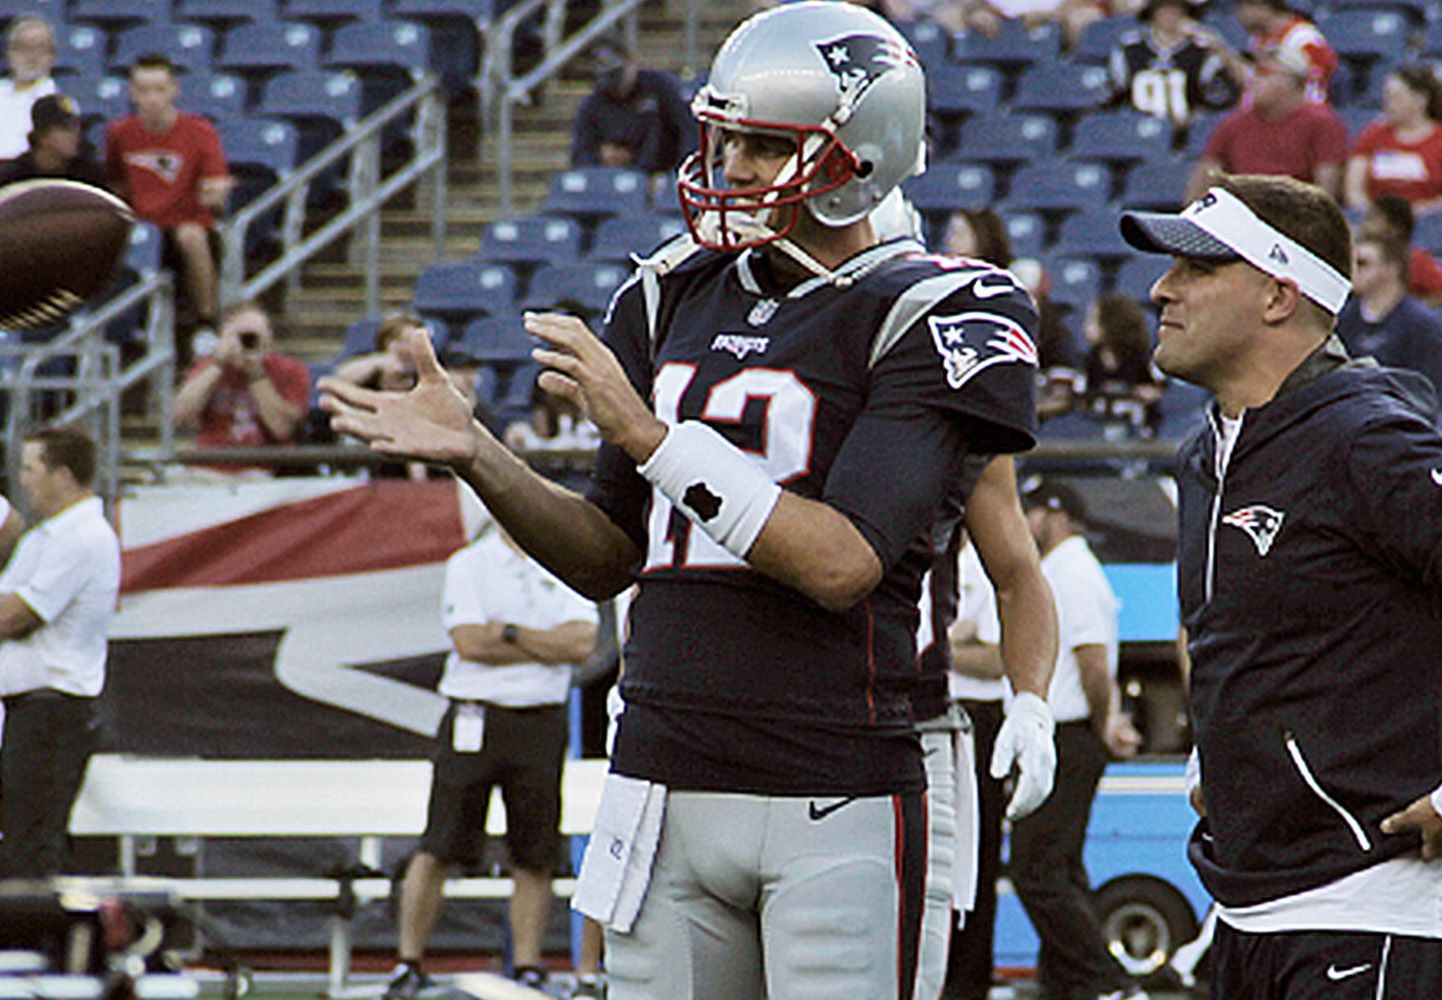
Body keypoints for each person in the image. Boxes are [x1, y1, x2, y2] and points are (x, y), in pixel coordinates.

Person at [318, 6, 1047, 996]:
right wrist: (478, 454)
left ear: (859, 156)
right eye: (726, 136)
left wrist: (654, 439)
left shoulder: (937, 309)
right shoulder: (667, 292)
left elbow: (841, 564)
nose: (733, 165)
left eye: (763, 142)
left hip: (835, 779)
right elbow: (606, 554)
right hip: (660, 772)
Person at [1119, 173, 1442, 1000]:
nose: (1162, 288)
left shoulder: (1366, 439)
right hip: (1247, 905)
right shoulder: (1206, 456)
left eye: (1197, 268)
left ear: (1277, 295)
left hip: (1373, 905)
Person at [381, 527, 601, 999]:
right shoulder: (469, 563)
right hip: (474, 714)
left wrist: (507, 629)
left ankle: (527, 965)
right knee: (438, 845)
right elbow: (469, 644)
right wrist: (542, 642)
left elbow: (582, 645)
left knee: (535, 852)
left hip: (540, 718)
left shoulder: (562, 560)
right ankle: (408, 963)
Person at [917, 455, 1059, 1000]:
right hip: (946, 706)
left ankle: (965, 982)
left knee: (967, 867)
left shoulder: (991, 564)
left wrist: (955, 645)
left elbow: (1000, 655)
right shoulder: (959, 558)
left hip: (978, 720)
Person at [1010, 478, 1144, 1000]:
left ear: (1057, 516)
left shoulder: (1072, 572)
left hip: (1072, 733)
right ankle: (1068, 985)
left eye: (1032, 511)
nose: (1024, 522)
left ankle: (1108, 982)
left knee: (1035, 871)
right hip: (1065, 732)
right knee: (1060, 867)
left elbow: (1093, 661)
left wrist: (1104, 720)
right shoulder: (1062, 570)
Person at [0, 426, 122, 879]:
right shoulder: (43, 539)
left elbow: (13, 616)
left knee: (32, 844)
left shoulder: (82, 538)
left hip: (53, 709)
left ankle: (37, 942)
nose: (23, 479)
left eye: (31, 468)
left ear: (62, 476)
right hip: (28, 708)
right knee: (19, 836)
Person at [105, 55, 233, 335]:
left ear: (174, 90)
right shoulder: (119, 133)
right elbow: (116, 182)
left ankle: (207, 318)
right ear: (132, 93)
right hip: (141, 224)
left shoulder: (199, 131)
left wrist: (214, 194)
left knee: (191, 236)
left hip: (186, 224)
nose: (152, 98)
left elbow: (216, 183)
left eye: (159, 89)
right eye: (143, 90)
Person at [1186, 47, 1347, 202]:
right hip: (1241, 215)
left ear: (1290, 80)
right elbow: (1203, 182)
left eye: (1263, 73)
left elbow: (1325, 194)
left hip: (1295, 215)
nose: (1253, 80)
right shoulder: (1234, 124)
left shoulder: (1322, 122)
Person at [171, 300, 312, 454]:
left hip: (265, 465)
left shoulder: (291, 370)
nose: (247, 343)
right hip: (210, 462)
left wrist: (256, 373)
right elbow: (179, 416)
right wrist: (218, 364)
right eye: (241, 336)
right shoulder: (208, 367)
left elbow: (282, 429)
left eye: (254, 337)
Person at [1344, 64, 1442, 215]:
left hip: (1431, 222)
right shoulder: (1372, 135)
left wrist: (1423, 210)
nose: (1388, 104)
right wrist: (1372, 214)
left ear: (1420, 100)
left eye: (1395, 98)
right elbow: (1354, 188)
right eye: (1386, 97)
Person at [1336, 232, 1442, 394]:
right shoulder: (1342, 319)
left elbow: (1428, 387)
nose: (1353, 271)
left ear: (1391, 269)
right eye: (1351, 263)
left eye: (1362, 264)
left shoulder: (1420, 324)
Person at [1108, 0, 1243, 130]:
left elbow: (1224, 93)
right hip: (1137, 130)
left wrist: (1193, 120)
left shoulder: (1202, 50)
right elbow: (1115, 92)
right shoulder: (1130, 47)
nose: (1170, 14)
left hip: (1187, 131)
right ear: (1152, 12)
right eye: (1164, 9)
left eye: (1176, 9)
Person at [570, 40, 695, 175]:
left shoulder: (660, 88)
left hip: (663, 172)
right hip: (613, 179)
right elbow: (580, 153)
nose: (616, 86)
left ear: (631, 62)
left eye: (617, 74)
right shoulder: (595, 103)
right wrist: (601, 159)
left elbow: (689, 131)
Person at [1082, 293, 1164, 434]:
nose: (1085, 327)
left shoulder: (1141, 359)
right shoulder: (1090, 360)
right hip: (1100, 427)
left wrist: (1146, 393)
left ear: (1110, 325)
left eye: (1092, 321)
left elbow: (1159, 391)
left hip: (1139, 426)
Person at [1231, 0, 1338, 104]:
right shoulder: (1256, 39)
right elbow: (1250, 82)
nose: (1240, 14)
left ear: (1264, 6)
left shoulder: (1303, 38)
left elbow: (1313, 94)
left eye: (1244, 6)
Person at [1362, 195, 1442, 305]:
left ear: (1394, 229)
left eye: (1372, 220)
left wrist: (1409, 311)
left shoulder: (1414, 259)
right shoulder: (1358, 258)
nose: (1364, 226)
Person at [0, 94, 110, 190]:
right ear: (42, 136)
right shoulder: (12, 178)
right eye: (67, 128)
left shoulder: (90, 176)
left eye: (78, 127)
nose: (75, 134)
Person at [0, 17, 58, 162]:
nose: (32, 56)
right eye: (24, 47)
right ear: (9, 52)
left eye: (40, 48)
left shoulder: (56, 102)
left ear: (52, 56)